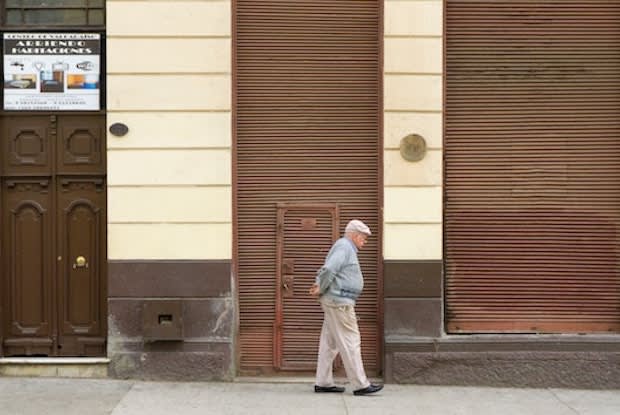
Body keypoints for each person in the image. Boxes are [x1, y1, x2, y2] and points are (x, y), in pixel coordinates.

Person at [309, 219, 383, 396]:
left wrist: (321, 287)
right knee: (351, 340)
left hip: (335, 301)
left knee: (330, 343)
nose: (364, 242)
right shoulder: (344, 246)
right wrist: (321, 287)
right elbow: (329, 269)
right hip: (339, 303)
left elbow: (330, 270)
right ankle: (360, 384)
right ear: (355, 235)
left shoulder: (345, 247)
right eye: (364, 238)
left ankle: (323, 382)